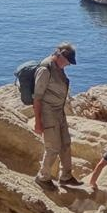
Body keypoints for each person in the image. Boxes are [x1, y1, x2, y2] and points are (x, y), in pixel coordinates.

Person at [33, 42, 83, 190]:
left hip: (59, 112)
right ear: (59, 54)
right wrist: (38, 122)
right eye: (67, 61)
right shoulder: (45, 69)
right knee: (53, 147)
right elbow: (37, 98)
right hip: (48, 114)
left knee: (66, 144)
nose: (67, 64)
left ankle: (66, 176)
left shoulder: (58, 67)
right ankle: (43, 177)